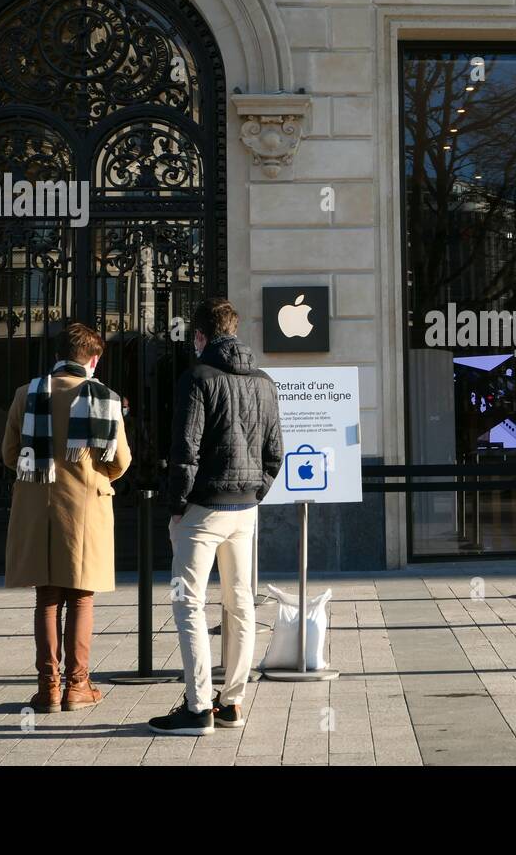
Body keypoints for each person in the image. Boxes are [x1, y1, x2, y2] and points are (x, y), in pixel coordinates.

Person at [149, 297, 283, 736]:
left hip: (203, 508)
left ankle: (197, 707)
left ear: (201, 336)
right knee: (240, 604)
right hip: (245, 510)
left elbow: (184, 451)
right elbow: (274, 453)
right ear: (235, 330)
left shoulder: (197, 378)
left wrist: (176, 507)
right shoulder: (264, 382)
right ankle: (232, 703)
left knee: (188, 603)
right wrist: (255, 492)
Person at [2, 322, 131, 712]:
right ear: (93, 359)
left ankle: (48, 689)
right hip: (85, 507)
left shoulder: (28, 394)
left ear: (57, 354)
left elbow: (10, 455)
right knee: (81, 596)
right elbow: (120, 461)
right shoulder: (103, 398)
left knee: (46, 596)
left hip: (37, 508)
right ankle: (78, 685)